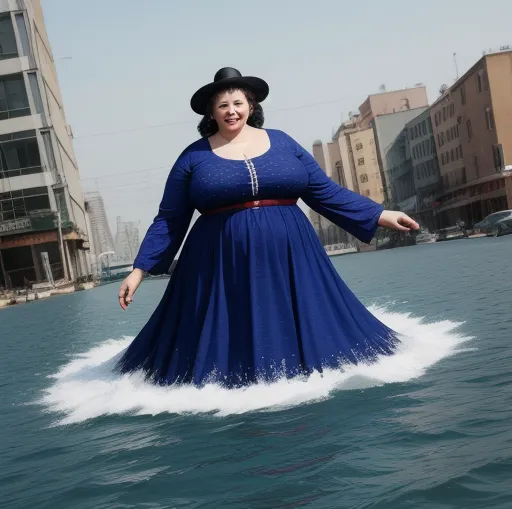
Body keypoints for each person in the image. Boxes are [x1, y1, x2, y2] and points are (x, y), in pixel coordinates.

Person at [117, 67, 419, 387]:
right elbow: (170, 218)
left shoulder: (282, 142)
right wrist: (140, 270)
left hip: (292, 251)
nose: (231, 111)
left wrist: (380, 214)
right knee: (231, 324)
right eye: (223, 105)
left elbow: (323, 192)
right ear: (211, 112)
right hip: (220, 261)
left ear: (251, 105)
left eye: (238, 103)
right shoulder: (193, 157)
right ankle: (231, 375)